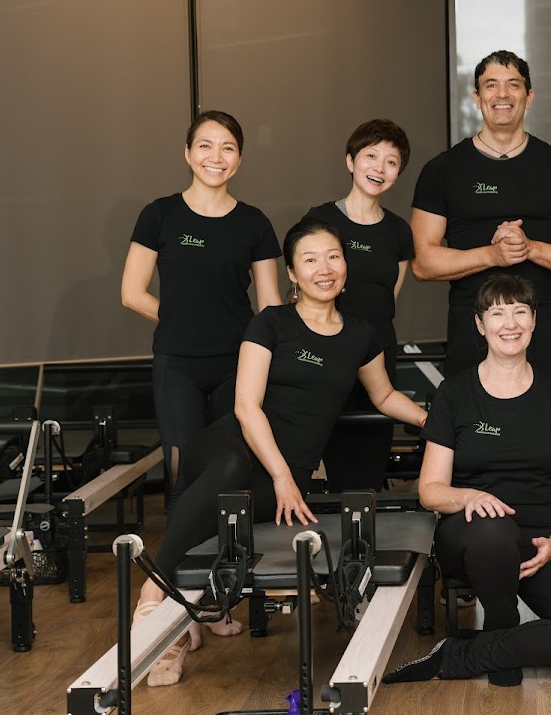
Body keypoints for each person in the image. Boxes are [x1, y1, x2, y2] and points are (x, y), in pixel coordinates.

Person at [132, 217, 426, 687]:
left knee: (236, 505)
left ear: (344, 263)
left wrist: (433, 421)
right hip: (231, 444)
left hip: (286, 476)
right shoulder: (270, 322)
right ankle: (156, 595)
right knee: (229, 473)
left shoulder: (360, 334)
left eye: (332, 256)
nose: (323, 268)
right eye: (309, 260)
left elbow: (384, 396)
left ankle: (196, 612)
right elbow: (247, 408)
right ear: (292, 272)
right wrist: (284, 476)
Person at [382, 275, 551, 687]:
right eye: (497, 312)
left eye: (520, 311)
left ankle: (466, 654)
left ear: (535, 321)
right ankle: (501, 621)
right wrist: (469, 495)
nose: (510, 323)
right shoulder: (454, 394)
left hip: (539, 535)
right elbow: (431, 490)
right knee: (493, 530)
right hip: (470, 535)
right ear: (480, 324)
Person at [409, 50, 551, 385]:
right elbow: (422, 262)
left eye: (513, 85)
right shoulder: (441, 170)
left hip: (543, 325)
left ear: (528, 98)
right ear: (476, 97)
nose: (502, 94)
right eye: (491, 85)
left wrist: (529, 249)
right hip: (472, 327)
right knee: (472, 431)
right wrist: (491, 255)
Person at [122, 110, 283, 507]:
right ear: (188, 154)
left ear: (240, 158)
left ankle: (229, 564)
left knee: (233, 466)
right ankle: (176, 567)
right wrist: (184, 319)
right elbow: (132, 293)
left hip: (238, 363)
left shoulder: (254, 223)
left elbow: (270, 306)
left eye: (228, 147)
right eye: (205, 145)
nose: (216, 156)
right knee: (182, 471)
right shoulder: (160, 214)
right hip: (178, 364)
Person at [305, 119, 415, 494]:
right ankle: (335, 546)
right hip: (329, 356)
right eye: (371, 156)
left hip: (379, 357)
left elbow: (388, 299)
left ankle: (365, 548)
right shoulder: (320, 221)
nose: (379, 168)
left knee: (370, 466)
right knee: (335, 466)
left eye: (391, 162)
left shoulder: (400, 232)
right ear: (350, 161)